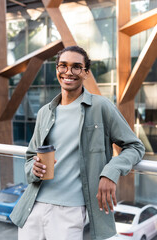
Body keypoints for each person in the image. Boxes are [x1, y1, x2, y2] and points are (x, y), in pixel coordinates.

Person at [10, 46, 145, 240]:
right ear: (57, 69)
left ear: (86, 73)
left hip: (70, 211)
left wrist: (110, 172)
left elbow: (135, 146)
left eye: (76, 67)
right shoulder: (44, 112)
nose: (68, 72)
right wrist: (34, 168)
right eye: (63, 66)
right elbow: (31, 156)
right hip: (33, 207)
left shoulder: (101, 106)